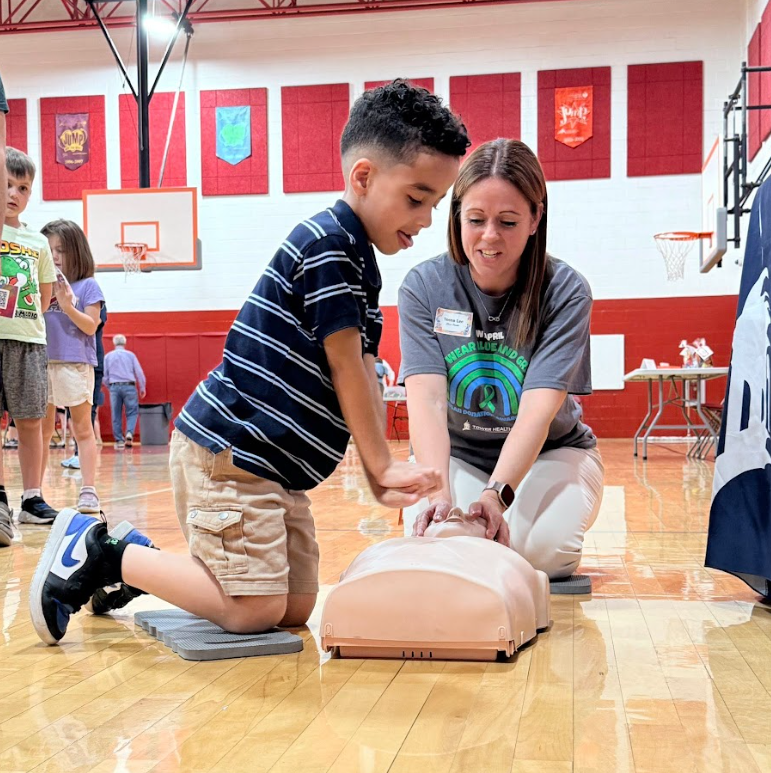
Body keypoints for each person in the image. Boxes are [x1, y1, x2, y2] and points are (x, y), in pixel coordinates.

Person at [29, 79, 470, 645]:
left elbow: (363, 370)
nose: (427, 219)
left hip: (277, 472)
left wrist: (378, 470)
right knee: (251, 611)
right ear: (363, 176)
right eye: (417, 198)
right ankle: (104, 553)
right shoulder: (328, 244)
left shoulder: (364, 264)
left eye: (435, 203)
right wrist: (381, 467)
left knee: (295, 608)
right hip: (231, 456)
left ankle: (143, 559)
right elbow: (342, 364)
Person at [398, 138, 604, 580]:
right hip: (457, 454)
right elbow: (428, 402)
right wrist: (437, 492)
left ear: (535, 218)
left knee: (543, 556)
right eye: (475, 219)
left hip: (554, 452)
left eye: (507, 221)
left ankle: (555, 503)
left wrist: (496, 495)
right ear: (456, 217)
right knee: (438, 544)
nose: (489, 236)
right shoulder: (423, 286)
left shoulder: (566, 291)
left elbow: (536, 412)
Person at [0, 148, 58, 534]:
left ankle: (32, 498)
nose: (14, 193)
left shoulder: (35, 241)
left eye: (22, 187)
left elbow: (47, 291)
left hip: (26, 341)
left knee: (31, 421)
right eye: (6, 184)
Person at [39, 220, 105, 513]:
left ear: (76, 252)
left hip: (75, 363)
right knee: (41, 430)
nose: (54, 256)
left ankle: (88, 489)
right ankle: (35, 492)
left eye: (60, 250)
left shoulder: (88, 286)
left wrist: (67, 305)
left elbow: (91, 326)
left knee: (82, 428)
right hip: (42, 362)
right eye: (48, 249)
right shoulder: (42, 286)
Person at [62, 301, 108, 469]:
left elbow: (92, 325)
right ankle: (77, 454)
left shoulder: (94, 299)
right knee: (71, 413)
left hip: (90, 362)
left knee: (88, 412)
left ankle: (82, 457)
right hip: (70, 361)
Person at [103, 334, 145, 449]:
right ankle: (129, 433)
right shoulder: (130, 355)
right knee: (132, 412)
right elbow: (139, 372)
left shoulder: (108, 356)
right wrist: (142, 387)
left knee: (116, 414)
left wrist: (110, 386)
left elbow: (104, 376)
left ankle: (119, 440)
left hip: (114, 386)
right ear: (125, 343)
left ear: (114, 343)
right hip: (129, 386)